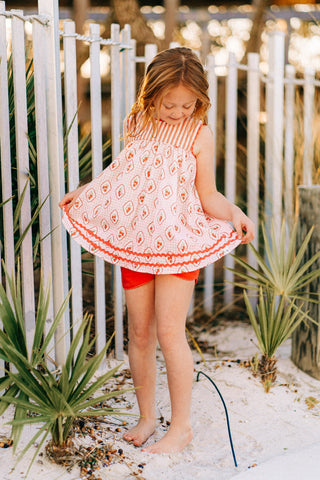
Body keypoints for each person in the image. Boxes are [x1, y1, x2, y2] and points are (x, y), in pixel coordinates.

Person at [59, 47, 254, 454]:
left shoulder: (199, 135)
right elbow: (121, 177)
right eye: (169, 104)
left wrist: (233, 211)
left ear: (199, 101)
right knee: (140, 333)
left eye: (188, 104)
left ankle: (180, 427)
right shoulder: (137, 122)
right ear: (150, 95)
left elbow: (208, 195)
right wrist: (85, 192)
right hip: (137, 241)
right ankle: (147, 417)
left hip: (179, 242)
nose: (178, 111)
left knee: (169, 332)